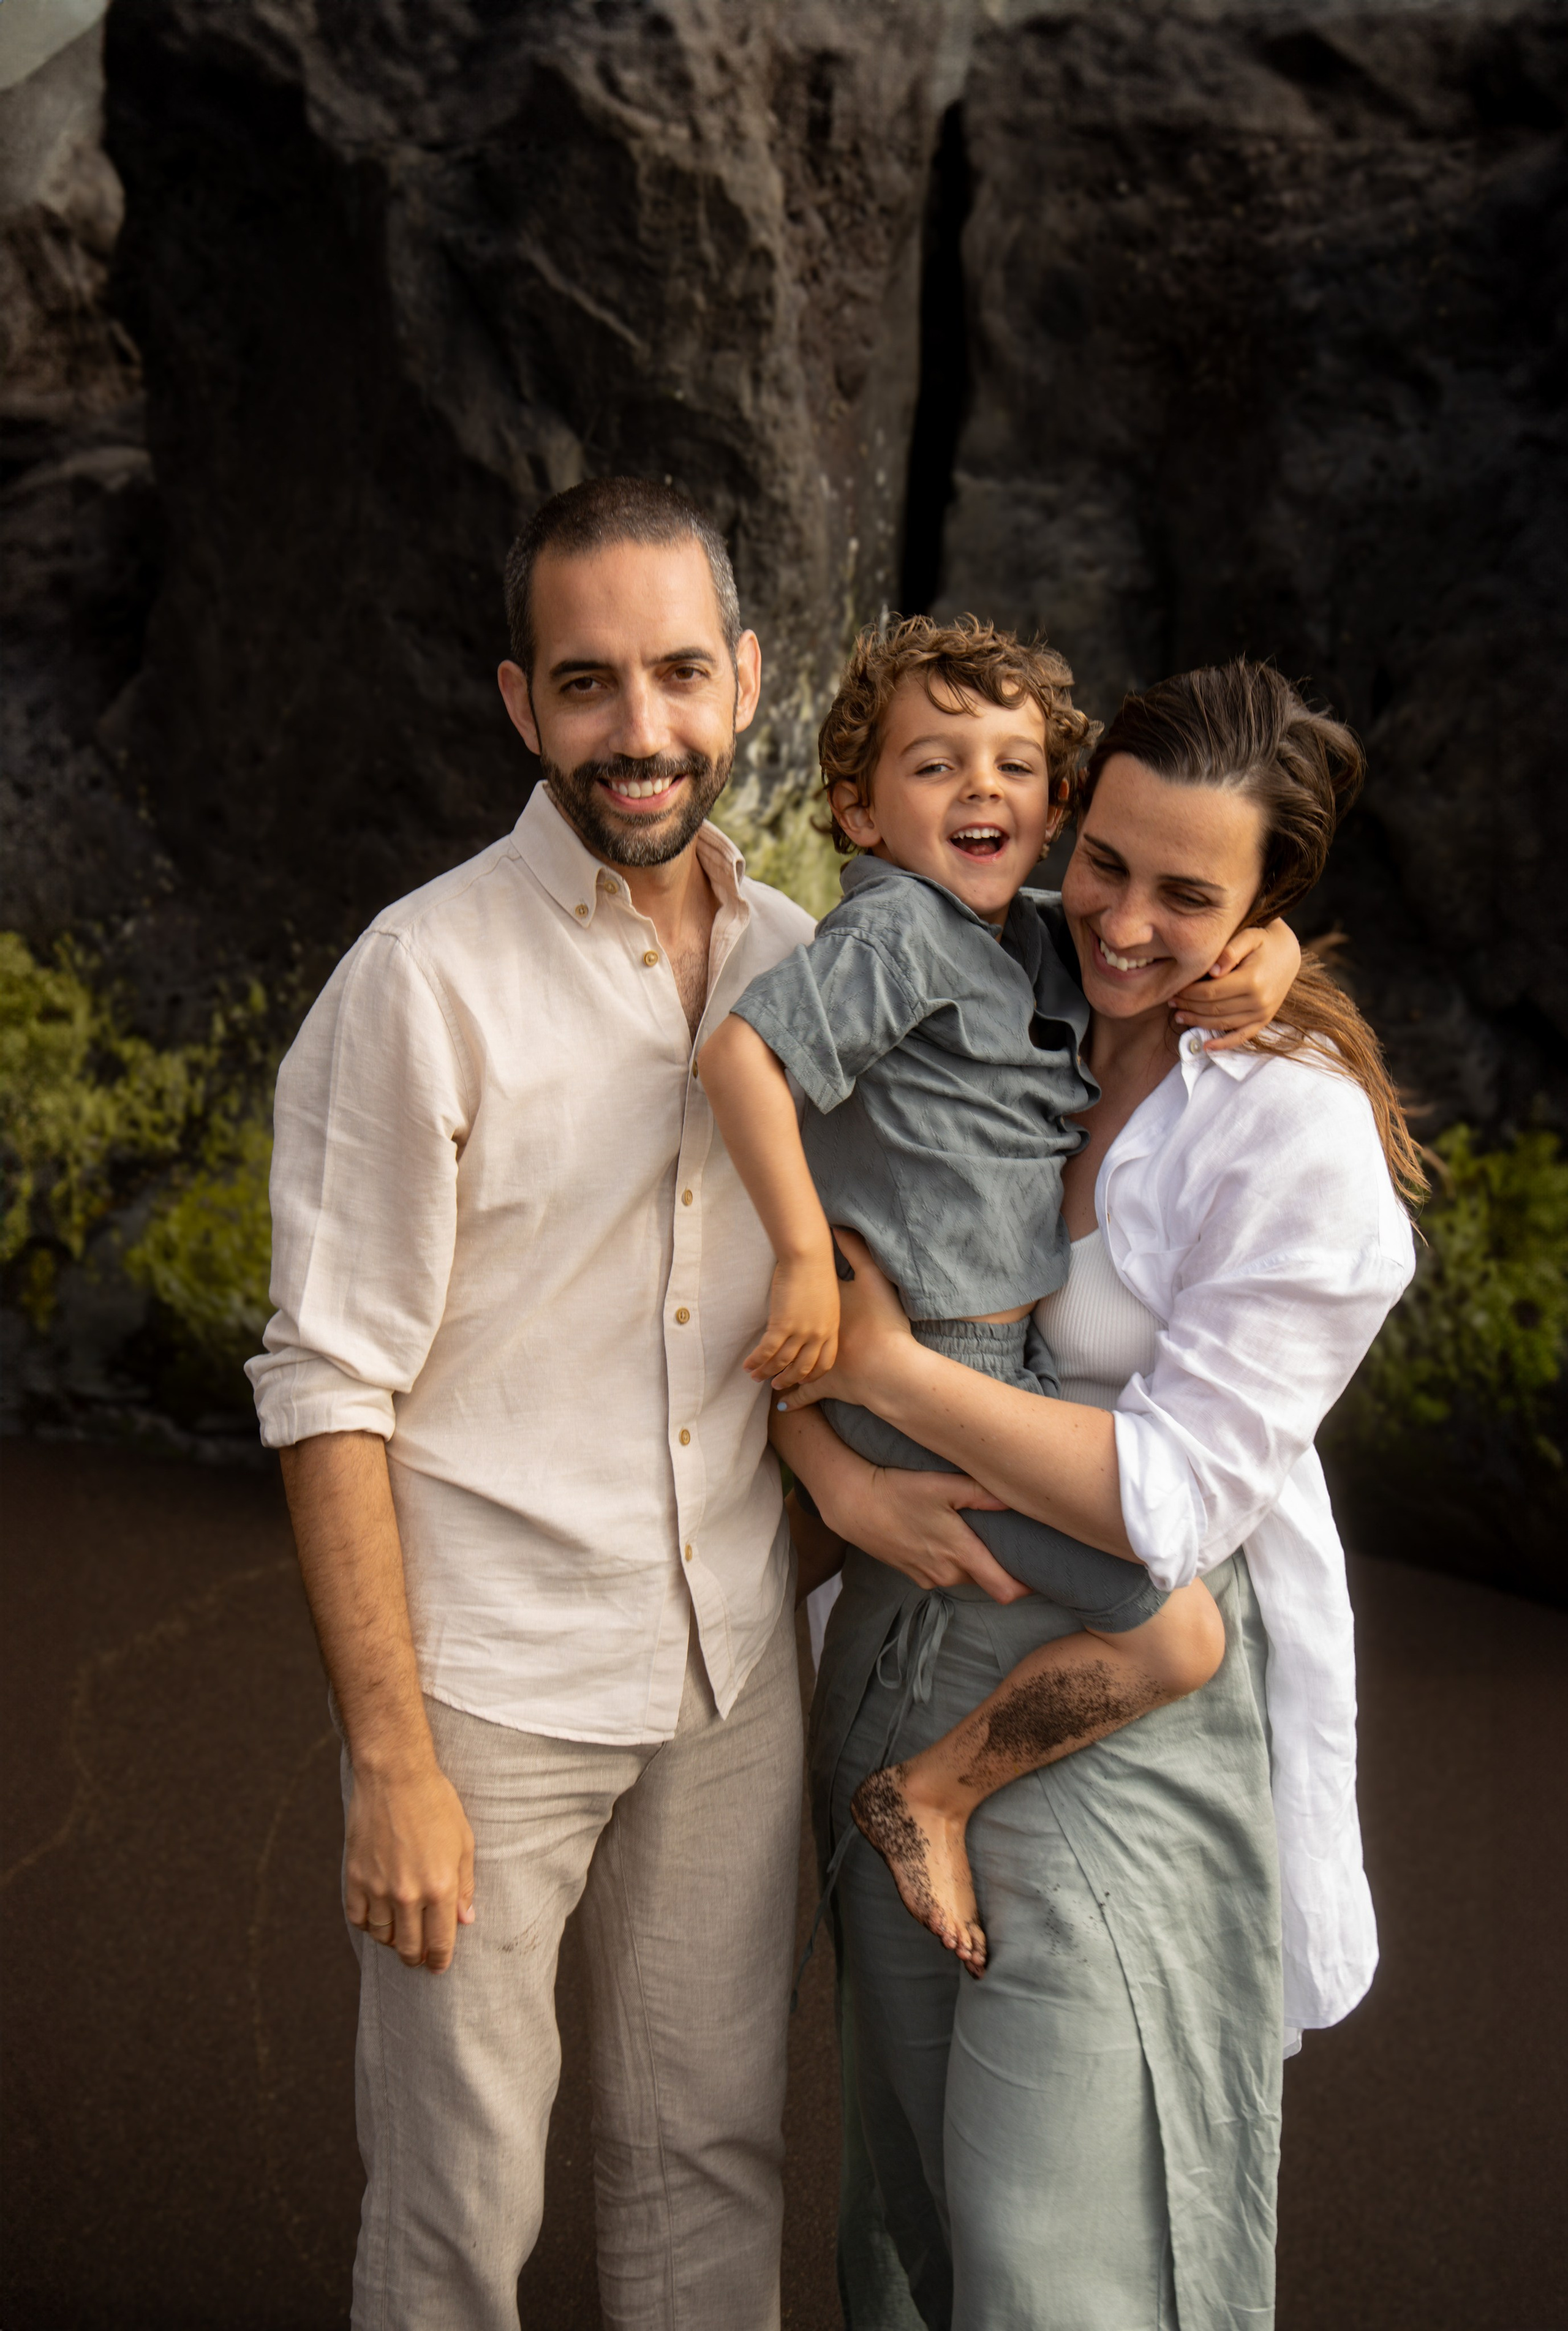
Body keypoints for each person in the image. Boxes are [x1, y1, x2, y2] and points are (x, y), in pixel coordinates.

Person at [772, 660, 1422, 2331]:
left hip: (1112, 1715)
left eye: (1191, 893)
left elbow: (1165, 1501)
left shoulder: (1295, 1134)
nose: (1121, 917)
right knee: (907, 2228)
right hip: (905, 1645)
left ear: (1272, 903)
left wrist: (897, 1376)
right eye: (1106, 858)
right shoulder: (996, 977)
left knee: (1058, 2262)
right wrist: (838, 1464)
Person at [247, 476, 818, 2331]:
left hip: (731, 1673)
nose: (637, 731)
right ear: (519, 702)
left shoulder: (805, 965)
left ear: (745, 680)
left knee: (712, 2165)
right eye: (588, 685)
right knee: (455, 2213)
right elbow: (330, 1387)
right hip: (485, 1694)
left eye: (674, 675)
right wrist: (393, 1763)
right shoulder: (418, 981)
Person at [698, 617, 1301, 1967]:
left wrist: (1272, 957)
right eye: (935, 763)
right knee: (1178, 1633)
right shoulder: (899, 933)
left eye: (1017, 765)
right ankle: (928, 1793)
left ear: (1056, 810)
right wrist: (801, 1254)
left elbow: (1154, 942)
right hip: (924, 1370)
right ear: (856, 805)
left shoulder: (1021, 938)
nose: (982, 788)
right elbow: (741, 1061)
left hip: (978, 1369)